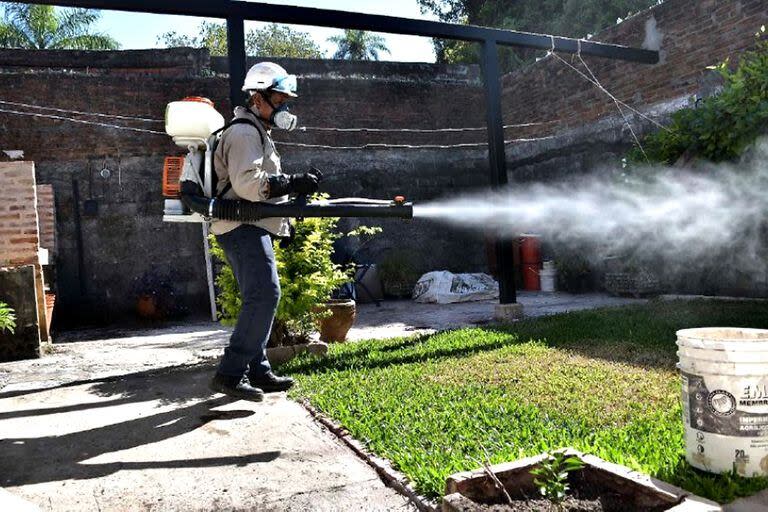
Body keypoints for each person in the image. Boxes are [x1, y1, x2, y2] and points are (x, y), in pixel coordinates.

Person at [208, 62, 322, 401]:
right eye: (280, 100)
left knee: (257, 297)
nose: (285, 107)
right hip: (242, 225)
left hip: (247, 225)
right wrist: (291, 181)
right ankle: (230, 373)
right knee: (265, 295)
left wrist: (292, 190)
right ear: (258, 98)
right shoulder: (245, 132)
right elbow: (248, 185)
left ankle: (257, 368)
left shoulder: (256, 130)